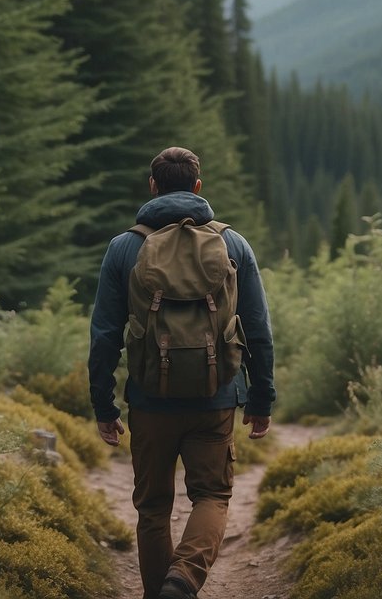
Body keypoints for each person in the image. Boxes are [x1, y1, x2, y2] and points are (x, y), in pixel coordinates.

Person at [88, 146, 276, 599]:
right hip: (216, 397)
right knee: (212, 496)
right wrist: (261, 397)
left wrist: (103, 404)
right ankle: (184, 579)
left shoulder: (124, 247)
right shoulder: (233, 243)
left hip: (150, 399)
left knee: (153, 508)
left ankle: (161, 593)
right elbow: (258, 328)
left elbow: (104, 335)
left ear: (153, 186)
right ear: (198, 186)